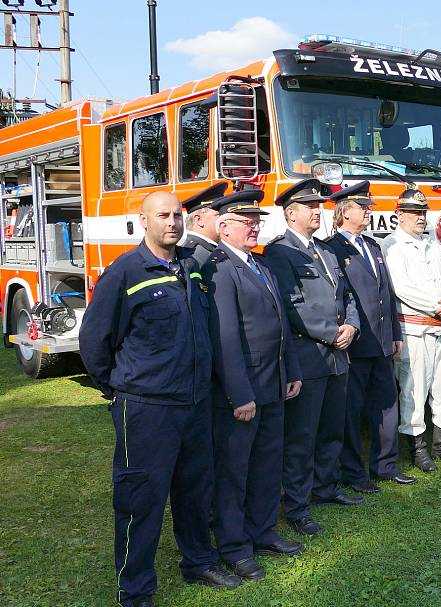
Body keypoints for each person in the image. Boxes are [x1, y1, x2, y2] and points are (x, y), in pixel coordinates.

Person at [79, 191, 241, 607]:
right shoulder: (126, 272)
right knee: (141, 499)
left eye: (177, 214)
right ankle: (135, 589)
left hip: (195, 402)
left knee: (194, 490)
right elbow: (95, 341)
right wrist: (117, 390)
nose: (172, 222)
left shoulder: (191, 267)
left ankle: (199, 561)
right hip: (147, 407)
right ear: (144, 220)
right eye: (162, 215)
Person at [202, 190, 304, 582]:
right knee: (234, 472)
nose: (254, 226)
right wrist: (239, 395)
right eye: (247, 221)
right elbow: (226, 338)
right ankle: (233, 546)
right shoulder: (219, 268)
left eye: (257, 220)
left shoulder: (260, 264)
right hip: (244, 393)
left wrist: (291, 370)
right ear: (223, 226)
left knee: (267, 465)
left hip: (274, 384)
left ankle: (263, 532)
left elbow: (281, 328)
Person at [265, 178, 363, 537]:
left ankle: (326, 486)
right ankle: (297, 505)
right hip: (310, 356)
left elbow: (348, 296)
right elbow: (291, 307)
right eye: (310, 207)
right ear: (291, 214)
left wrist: (351, 326)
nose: (317, 212)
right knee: (301, 436)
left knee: (331, 428)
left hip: (338, 356)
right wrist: (329, 332)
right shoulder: (280, 252)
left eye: (318, 207)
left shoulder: (327, 250)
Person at [326, 181, 416, 491]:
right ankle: (353, 472)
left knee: (387, 404)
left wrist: (393, 332)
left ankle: (385, 465)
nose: (368, 211)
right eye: (362, 207)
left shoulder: (374, 246)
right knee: (351, 411)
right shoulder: (331, 248)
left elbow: (386, 293)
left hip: (380, 341)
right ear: (344, 211)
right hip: (355, 344)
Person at [381, 189, 441, 472]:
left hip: (440, 327)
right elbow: (401, 287)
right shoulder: (391, 244)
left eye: (423, 212)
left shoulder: (431, 244)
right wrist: (436, 305)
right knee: (414, 391)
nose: (421, 217)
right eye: (415, 213)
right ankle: (417, 449)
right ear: (400, 214)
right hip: (415, 330)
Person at [181, 182, 228, 265]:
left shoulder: (204, 250)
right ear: (199, 220)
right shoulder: (193, 254)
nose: (225, 220)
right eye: (219, 215)